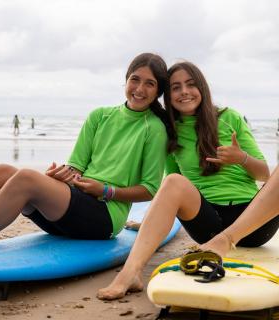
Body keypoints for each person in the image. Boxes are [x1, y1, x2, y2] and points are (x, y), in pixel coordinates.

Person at [97, 61, 278, 300]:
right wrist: (152, 222)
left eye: (191, 85)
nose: (184, 92)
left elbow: (264, 174)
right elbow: (173, 188)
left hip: (253, 224)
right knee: (172, 180)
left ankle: (226, 240)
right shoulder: (170, 131)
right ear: (167, 96)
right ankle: (129, 273)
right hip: (207, 223)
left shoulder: (229, 117)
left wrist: (241, 158)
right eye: (176, 87)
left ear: (201, 88)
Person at [0, 53, 172, 249]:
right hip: (72, 205)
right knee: (2, 171)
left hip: (104, 217)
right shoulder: (100, 116)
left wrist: (106, 191)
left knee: (26, 178)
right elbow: (75, 168)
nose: (140, 89)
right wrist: (59, 178)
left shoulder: (154, 129)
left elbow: (150, 189)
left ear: (158, 91)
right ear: (126, 80)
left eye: (150, 84)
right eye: (135, 79)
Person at [201, 164, 279, 256]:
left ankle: (226, 238)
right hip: (208, 218)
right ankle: (226, 239)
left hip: (252, 220)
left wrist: (243, 159)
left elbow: (264, 175)